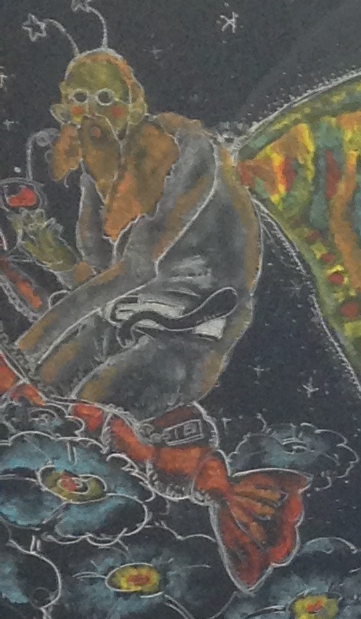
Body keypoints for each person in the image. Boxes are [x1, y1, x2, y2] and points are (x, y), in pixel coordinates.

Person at [3, 46, 260, 419]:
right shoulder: (101, 165)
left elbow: (136, 268)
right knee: (33, 395)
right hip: (118, 320)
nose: (93, 111)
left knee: (83, 410)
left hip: (188, 331)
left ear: (134, 103)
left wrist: (26, 349)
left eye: (106, 98)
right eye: (80, 99)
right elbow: (98, 274)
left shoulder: (186, 149)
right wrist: (59, 260)